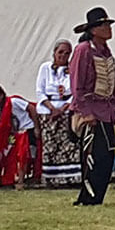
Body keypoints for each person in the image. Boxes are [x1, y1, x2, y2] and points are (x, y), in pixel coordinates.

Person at [69, 6, 115, 206]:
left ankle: (97, 196)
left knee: (108, 157)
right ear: (94, 29)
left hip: (106, 112)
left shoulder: (105, 52)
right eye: (104, 25)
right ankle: (88, 198)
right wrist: (85, 113)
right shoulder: (83, 50)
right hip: (90, 112)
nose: (108, 28)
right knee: (92, 157)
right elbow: (76, 85)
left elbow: (113, 83)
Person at [36, 39, 80, 186]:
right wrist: (51, 108)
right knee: (51, 145)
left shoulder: (73, 70)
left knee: (68, 144)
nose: (63, 55)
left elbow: (76, 92)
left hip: (66, 110)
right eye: (60, 52)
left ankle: (70, 178)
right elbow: (39, 90)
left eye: (67, 53)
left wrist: (62, 109)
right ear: (54, 52)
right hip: (47, 110)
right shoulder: (45, 68)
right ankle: (51, 178)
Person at [0, 84, 37, 188]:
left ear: (1, 95)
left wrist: (36, 127)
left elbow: (31, 108)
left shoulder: (13, 102)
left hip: (26, 130)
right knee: (9, 155)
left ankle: (22, 181)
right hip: (14, 134)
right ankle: (6, 179)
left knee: (24, 156)